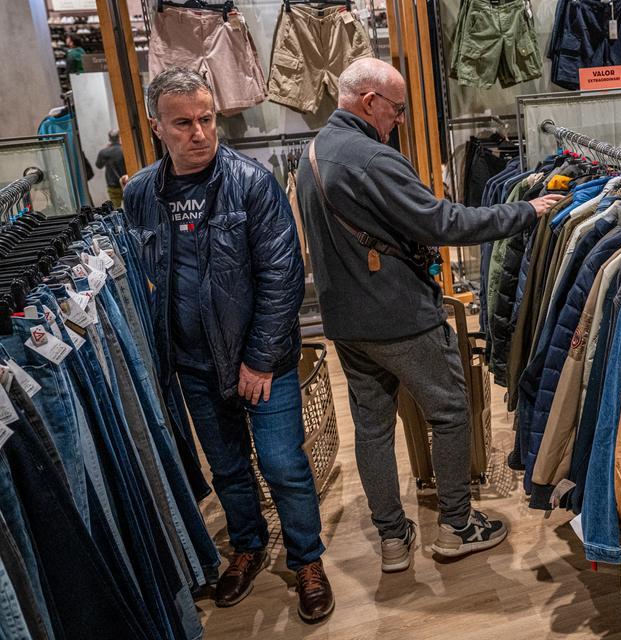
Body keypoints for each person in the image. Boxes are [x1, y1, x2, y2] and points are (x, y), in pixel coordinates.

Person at [296, 57, 562, 574]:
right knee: (448, 411)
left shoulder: (315, 151)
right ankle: (458, 526)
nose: (398, 120)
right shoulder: (370, 158)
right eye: (395, 110)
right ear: (370, 101)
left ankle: (394, 540)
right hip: (399, 315)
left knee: (372, 427)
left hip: (347, 321)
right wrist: (525, 212)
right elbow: (445, 222)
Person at [123, 68, 335, 623]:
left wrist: (261, 360)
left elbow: (282, 275)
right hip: (192, 365)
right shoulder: (141, 194)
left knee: (284, 463)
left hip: (263, 362)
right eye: (184, 123)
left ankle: (307, 558)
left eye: (207, 118)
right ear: (157, 128)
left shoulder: (252, 183)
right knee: (228, 467)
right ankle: (246, 545)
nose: (199, 132)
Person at [94, 129, 126, 207]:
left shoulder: (104, 152)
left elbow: (98, 165)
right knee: (131, 208)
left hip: (112, 185)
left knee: (116, 209)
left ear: (109, 139)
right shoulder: (124, 150)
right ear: (119, 137)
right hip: (126, 182)